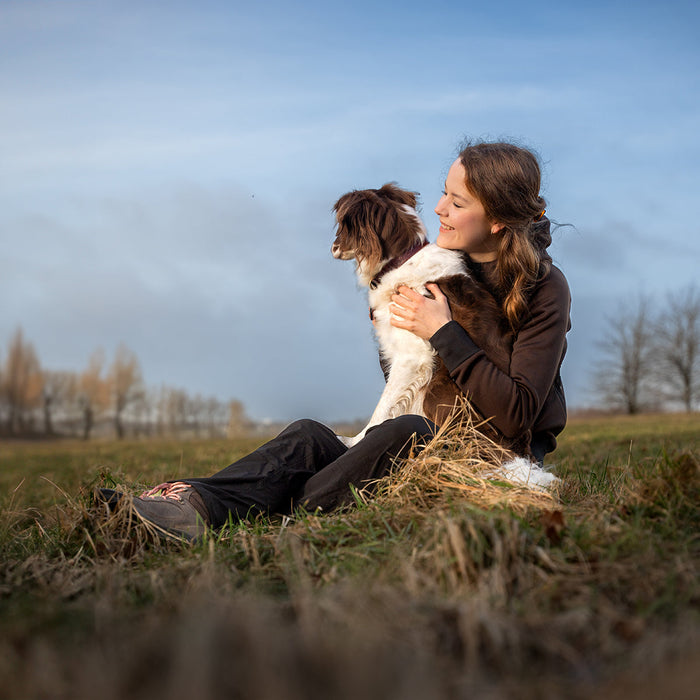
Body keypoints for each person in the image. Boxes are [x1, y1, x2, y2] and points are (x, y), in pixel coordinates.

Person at [98, 140, 570, 541]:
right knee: (309, 433)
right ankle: (191, 505)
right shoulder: (439, 268)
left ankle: (278, 516)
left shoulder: (544, 288)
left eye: (457, 202)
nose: (439, 209)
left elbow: (516, 415)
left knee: (403, 433)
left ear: (498, 221)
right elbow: (413, 378)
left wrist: (442, 330)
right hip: (420, 431)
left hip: (485, 454)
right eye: (444, 194)